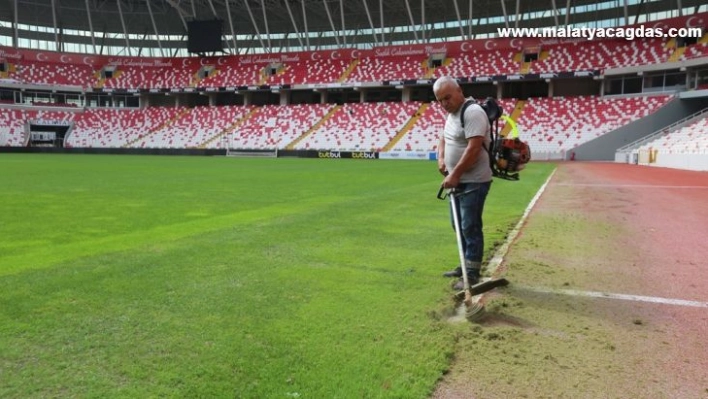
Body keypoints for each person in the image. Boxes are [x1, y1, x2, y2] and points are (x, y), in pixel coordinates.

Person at [433, 76, 492, 290]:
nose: (444, 103)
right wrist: (441, 158)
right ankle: (465, 265)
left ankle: (473, 273)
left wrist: (455, 174)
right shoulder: (451, 114)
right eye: (440, 100)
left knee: (470, 226)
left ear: (459, 91)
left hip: (474, 180)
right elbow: (444, 138)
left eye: (447, 97)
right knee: (457, 225)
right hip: (457, 180)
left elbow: (474, 149)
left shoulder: (473, 112)